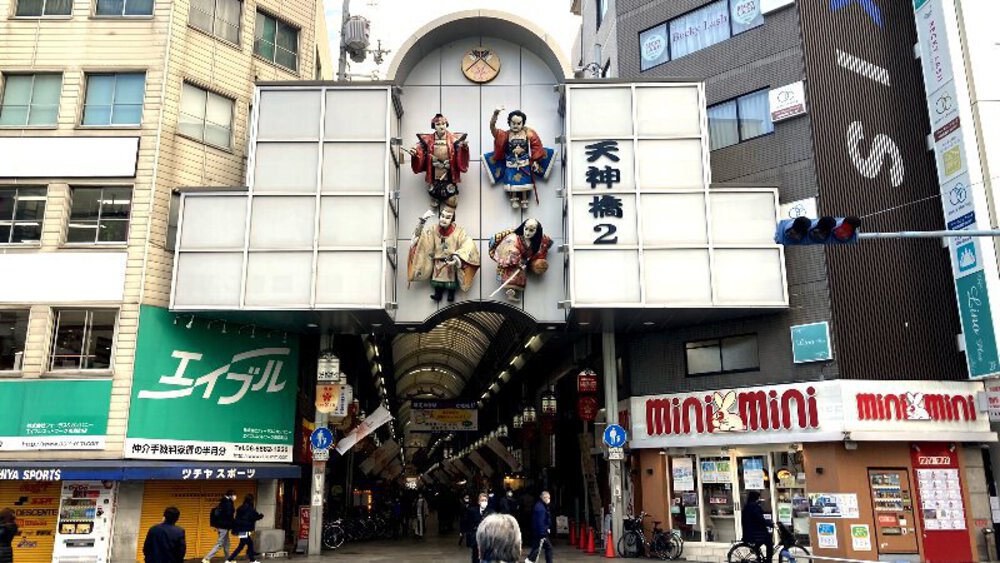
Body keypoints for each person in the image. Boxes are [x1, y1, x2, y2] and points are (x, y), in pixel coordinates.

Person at [407, 207, 481, 302]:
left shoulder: (459, 231)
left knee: (450, 279)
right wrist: (422, 221)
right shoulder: (433, 230)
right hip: (438, 261)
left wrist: (457, 257)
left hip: (451, 261)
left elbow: (468, 244)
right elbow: (420, 239)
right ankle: (438, 294)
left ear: (452, 219)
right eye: (442, 216)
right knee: (438, 279)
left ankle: (451, 294)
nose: (443, 219)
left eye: (447, 217)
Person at [487, 107, 551, 208]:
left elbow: (536, 146)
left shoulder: (528, 134)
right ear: (509, 123)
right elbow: (492, 129)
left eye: (518, 123)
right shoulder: (505, 135)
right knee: (512, 183)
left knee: (525, 182)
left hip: (524, 163)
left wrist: (535, 159)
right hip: (511, 163)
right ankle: (514, 199)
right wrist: (495, 115)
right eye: (513, 123)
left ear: (523, 123)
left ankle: (525, 199)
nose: (516, 126)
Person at [406, 113, 470, 209]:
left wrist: (464, 147)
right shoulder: (428, 139)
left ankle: (450, 195)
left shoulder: (453, 139)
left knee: (450, 187)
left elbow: (460, 148)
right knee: (434, 187)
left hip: (448, 169)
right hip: (435, 168)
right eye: (438, 124)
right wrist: (415, 150)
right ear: (434, 126)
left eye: (444, 124)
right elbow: (419, 146)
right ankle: (435, 196)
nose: (441, 126)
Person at [489, 219, 553, 302]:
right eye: (526, 229)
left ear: (536, 231)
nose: (527, 232)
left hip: (523, 263)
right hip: (513, 263)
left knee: (520, 275)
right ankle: (510, 292)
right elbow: (507, 248)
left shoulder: (538, 241)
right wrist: (515, 256)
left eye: (531, 230)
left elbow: (538, 253)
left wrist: (536, 263)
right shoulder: (514, 237)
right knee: (512, 274)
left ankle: (513, 291)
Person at [228, 494, 263, 563]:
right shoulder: (250, 509)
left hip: (240, 529)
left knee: (249, 543)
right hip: (245, 529)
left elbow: (237, 518)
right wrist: (261, 516)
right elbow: (255, 517)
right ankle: (229, 560)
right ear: (251, 500)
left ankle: (252, 559)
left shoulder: (240, 507)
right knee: (241, 546)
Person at [203, 490, 236, 562]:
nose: (235, 497)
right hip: (224, 526)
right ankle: (206, 558)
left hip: (223, 526)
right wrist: (234, 524)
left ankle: (229, 559)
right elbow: (229, 516)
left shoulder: (223, 502)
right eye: (234, 495)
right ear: (230, 495)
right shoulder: (228, 503)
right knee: (220, 544)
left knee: (227, 543)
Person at [741, 491, 773, 562]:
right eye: (758, 498)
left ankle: (757, 554)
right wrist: (770, 524)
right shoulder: (754, 506)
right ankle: (768, 560)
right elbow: (759, 519)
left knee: (760, 542)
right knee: (769, 541)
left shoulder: (747, 506)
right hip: (754, 533)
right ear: (756, 498)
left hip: (749, 532)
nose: (759, 499)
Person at [466, 492, 493, 563]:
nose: (484, 502)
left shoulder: (491, 512)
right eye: (482, 500)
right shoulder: (472, 511)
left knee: (487, 558)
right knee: (476, 558)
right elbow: (469, 524)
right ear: (479, 502)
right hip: (476, 539)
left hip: (487, 539)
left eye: (485, 500)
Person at [527, 491, 553, 563]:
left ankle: (529, 559)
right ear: (544, 498)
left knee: (536, 547)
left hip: (539, 531)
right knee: (549, 548)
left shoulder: (541, 505)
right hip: (541, 532)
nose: (549, 499)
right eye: (548, 498)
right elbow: (540, 522)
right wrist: (543, 533)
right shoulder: (541, 508)